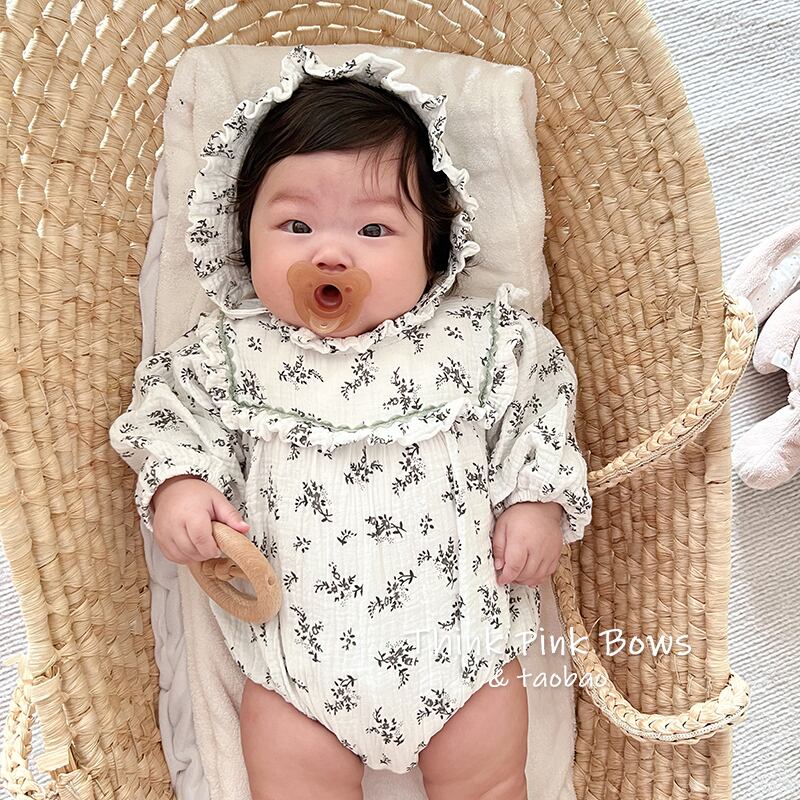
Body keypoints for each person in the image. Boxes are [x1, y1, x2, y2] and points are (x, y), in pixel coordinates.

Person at [109, 45, 592, 800]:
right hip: (296, 663)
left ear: (432, 250)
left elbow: (539, 411)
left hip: (462, 647)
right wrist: (180, 486)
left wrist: (537, 503)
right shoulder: (233, 350)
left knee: (493, 782)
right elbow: (167, 417)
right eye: (296, 224)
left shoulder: (479, 341)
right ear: (244, 236)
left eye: (373, 231)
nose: (330, 252)